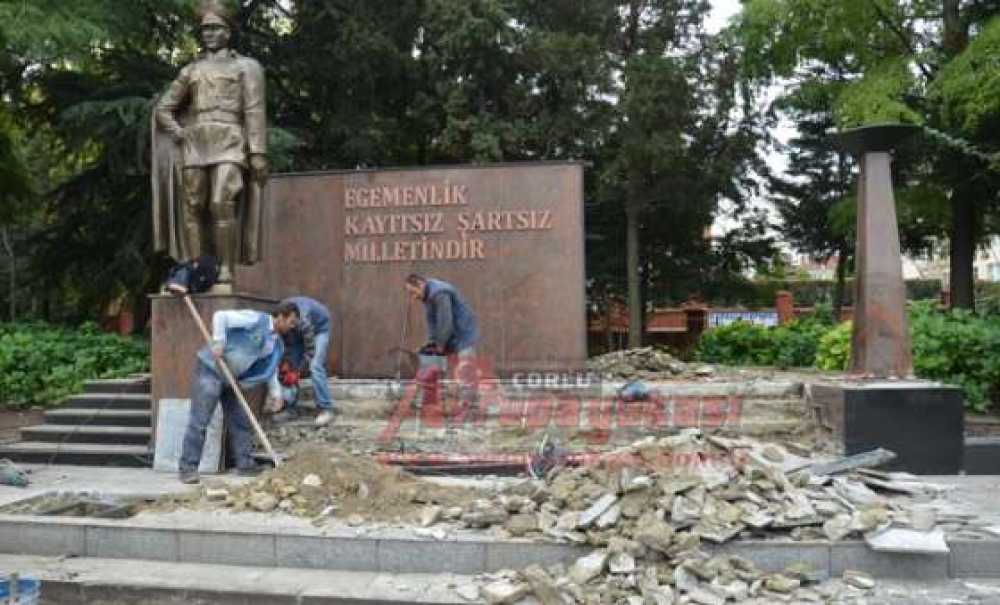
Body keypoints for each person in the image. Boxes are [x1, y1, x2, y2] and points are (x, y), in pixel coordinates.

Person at [153, 0, 268, 285]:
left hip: (230, 139)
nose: (209, 34)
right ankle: (195, 267)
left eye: (215, 28)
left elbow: (254, 110)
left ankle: (226, 269)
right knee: (193, 206)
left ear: (228, 32)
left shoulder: (247, 67)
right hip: (196, 143)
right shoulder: (191, 70)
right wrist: (179, 132)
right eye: (205, 29)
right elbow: (163, 109)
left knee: (221, 202)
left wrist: (258, 152)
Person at [178, 303, 298, 484]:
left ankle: (245, 464)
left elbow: (270, 368)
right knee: (200, 421)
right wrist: (219, 341)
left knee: (241, 421)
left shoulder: (275, 343)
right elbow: (220, 315)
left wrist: (276, 393)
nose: (292, 326)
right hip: (211, 370)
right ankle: (188, 469)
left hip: (232, 379)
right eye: (291, 321)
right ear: (280, 316)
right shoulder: (255, 318)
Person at [404, 274, 480, 407]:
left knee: (465, 368)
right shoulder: (429, 295)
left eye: (412, 292)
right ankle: (428, 399)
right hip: (450, 334)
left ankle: (470, 405)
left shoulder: (439, 293)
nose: (413, 297)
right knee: (429, 358)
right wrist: (431, 343)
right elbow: (434, 322)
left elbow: (445, 321)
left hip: (462, 333)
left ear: (421, 284)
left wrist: (439, 345)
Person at [272, 296, 337, 426]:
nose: (289, 325)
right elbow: (288, 347)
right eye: (288, 323)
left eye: (293, 322)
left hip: (319, 329)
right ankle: (290, 409)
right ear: (281, 319)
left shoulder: (303, 321)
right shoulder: (280, 319)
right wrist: (287, 364)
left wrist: (298, 371)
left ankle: (326, 409)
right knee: (289, 365)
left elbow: (310, 351)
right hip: (297, 330)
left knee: (315, 365)